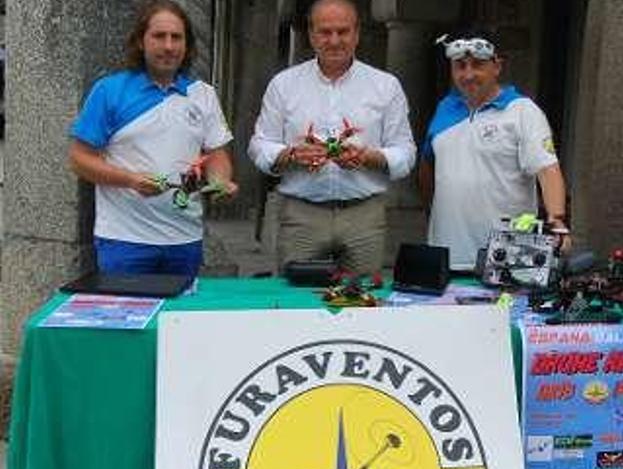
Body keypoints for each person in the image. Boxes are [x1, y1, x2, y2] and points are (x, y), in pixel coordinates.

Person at [68, 0, 237, 279]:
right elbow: (79, 159)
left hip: (185, 240)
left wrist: (220, 181)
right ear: (140, 42)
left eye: (176, 37)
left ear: (187, 45)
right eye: (159, 36)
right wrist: (131, 180)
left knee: (177, 323)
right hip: (124, 241)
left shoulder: (203, 94)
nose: (169, 46)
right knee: (127, 322)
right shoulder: (109, 90)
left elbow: (217, 153)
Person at [248, 0, 416, 274]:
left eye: (343, 31)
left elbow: (406, 152)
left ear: (357, 33)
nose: (334, 40)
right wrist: (291, 154)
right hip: (302, 215)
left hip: (363, 215)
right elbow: (259, 145)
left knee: (361, 303)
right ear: (312, 34)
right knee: (296, 303)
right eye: (325, 32)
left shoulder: (386, 86)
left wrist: (371, 157)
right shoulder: (284, 84)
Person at [418, 30, 571, 270]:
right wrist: (430, 211)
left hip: (506, 260)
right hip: (446, 256)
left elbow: (547, 169)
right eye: (460, 66)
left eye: (477, 65)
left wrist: (557, 220)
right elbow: (427, 165)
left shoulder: (523, 111)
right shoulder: (444, 108)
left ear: (497, 66)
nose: (468, 75)